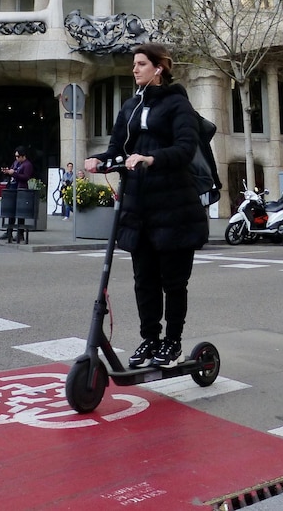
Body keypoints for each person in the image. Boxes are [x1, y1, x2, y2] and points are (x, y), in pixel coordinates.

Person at [85, 43, 208, 369]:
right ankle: (150, 340)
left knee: (173, 282)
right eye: (134, 64)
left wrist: (153, 158)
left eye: (141, 64)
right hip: (139, 208)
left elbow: (185, 148)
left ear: (159, 68)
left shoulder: (177, 105)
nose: (135, 69)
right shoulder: (129, 108)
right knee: (145, 281)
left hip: (174, 207)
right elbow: (117, 151)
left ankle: (173, 343)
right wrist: (99, 162)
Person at [0, 146, 34, 243]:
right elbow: (12, 171)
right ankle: (9, 231)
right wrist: (7, 172)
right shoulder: (16, 163)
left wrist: (13, 173)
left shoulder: (27, 165)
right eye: (15, 156)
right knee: (10, 211)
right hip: (12, 188)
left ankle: (20, 233)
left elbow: (26, 177)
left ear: (23, 156)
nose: (16, 158)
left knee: (20, 212)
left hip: (21, 189)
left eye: (18, 156)